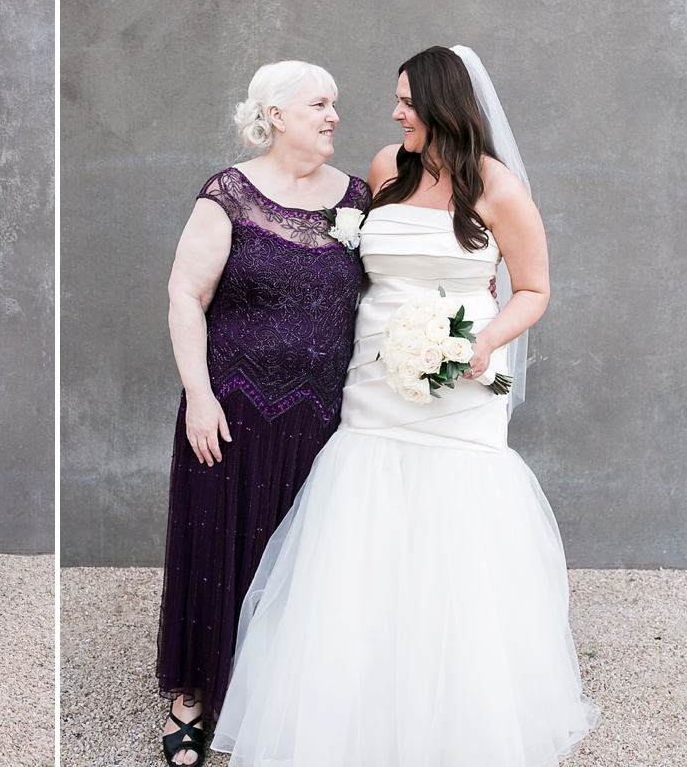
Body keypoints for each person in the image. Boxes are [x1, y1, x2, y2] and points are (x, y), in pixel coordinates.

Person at [211, 46, 597, 765]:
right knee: (361, 516)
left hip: (459, 387)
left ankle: (455, 711)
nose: (394, 113)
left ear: (444, 106)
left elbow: (535, 289)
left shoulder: (498, 188)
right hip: (375, 382)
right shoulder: (389, 167)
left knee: (454, 525)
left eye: (407, 102)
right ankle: (351, 701)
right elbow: (346, 259)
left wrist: (482, 343)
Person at [157, 62, 370, 766]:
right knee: (217, 547)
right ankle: (192, 695)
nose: (333, 114)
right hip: (230, 408)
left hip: (322, 417)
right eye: (319, 103)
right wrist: (198, 395)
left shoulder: (360, 201)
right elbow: (186, 294)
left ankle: (283, 695)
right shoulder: (230, 193)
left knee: (305, 560)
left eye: (334, 103)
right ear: (276, 114)